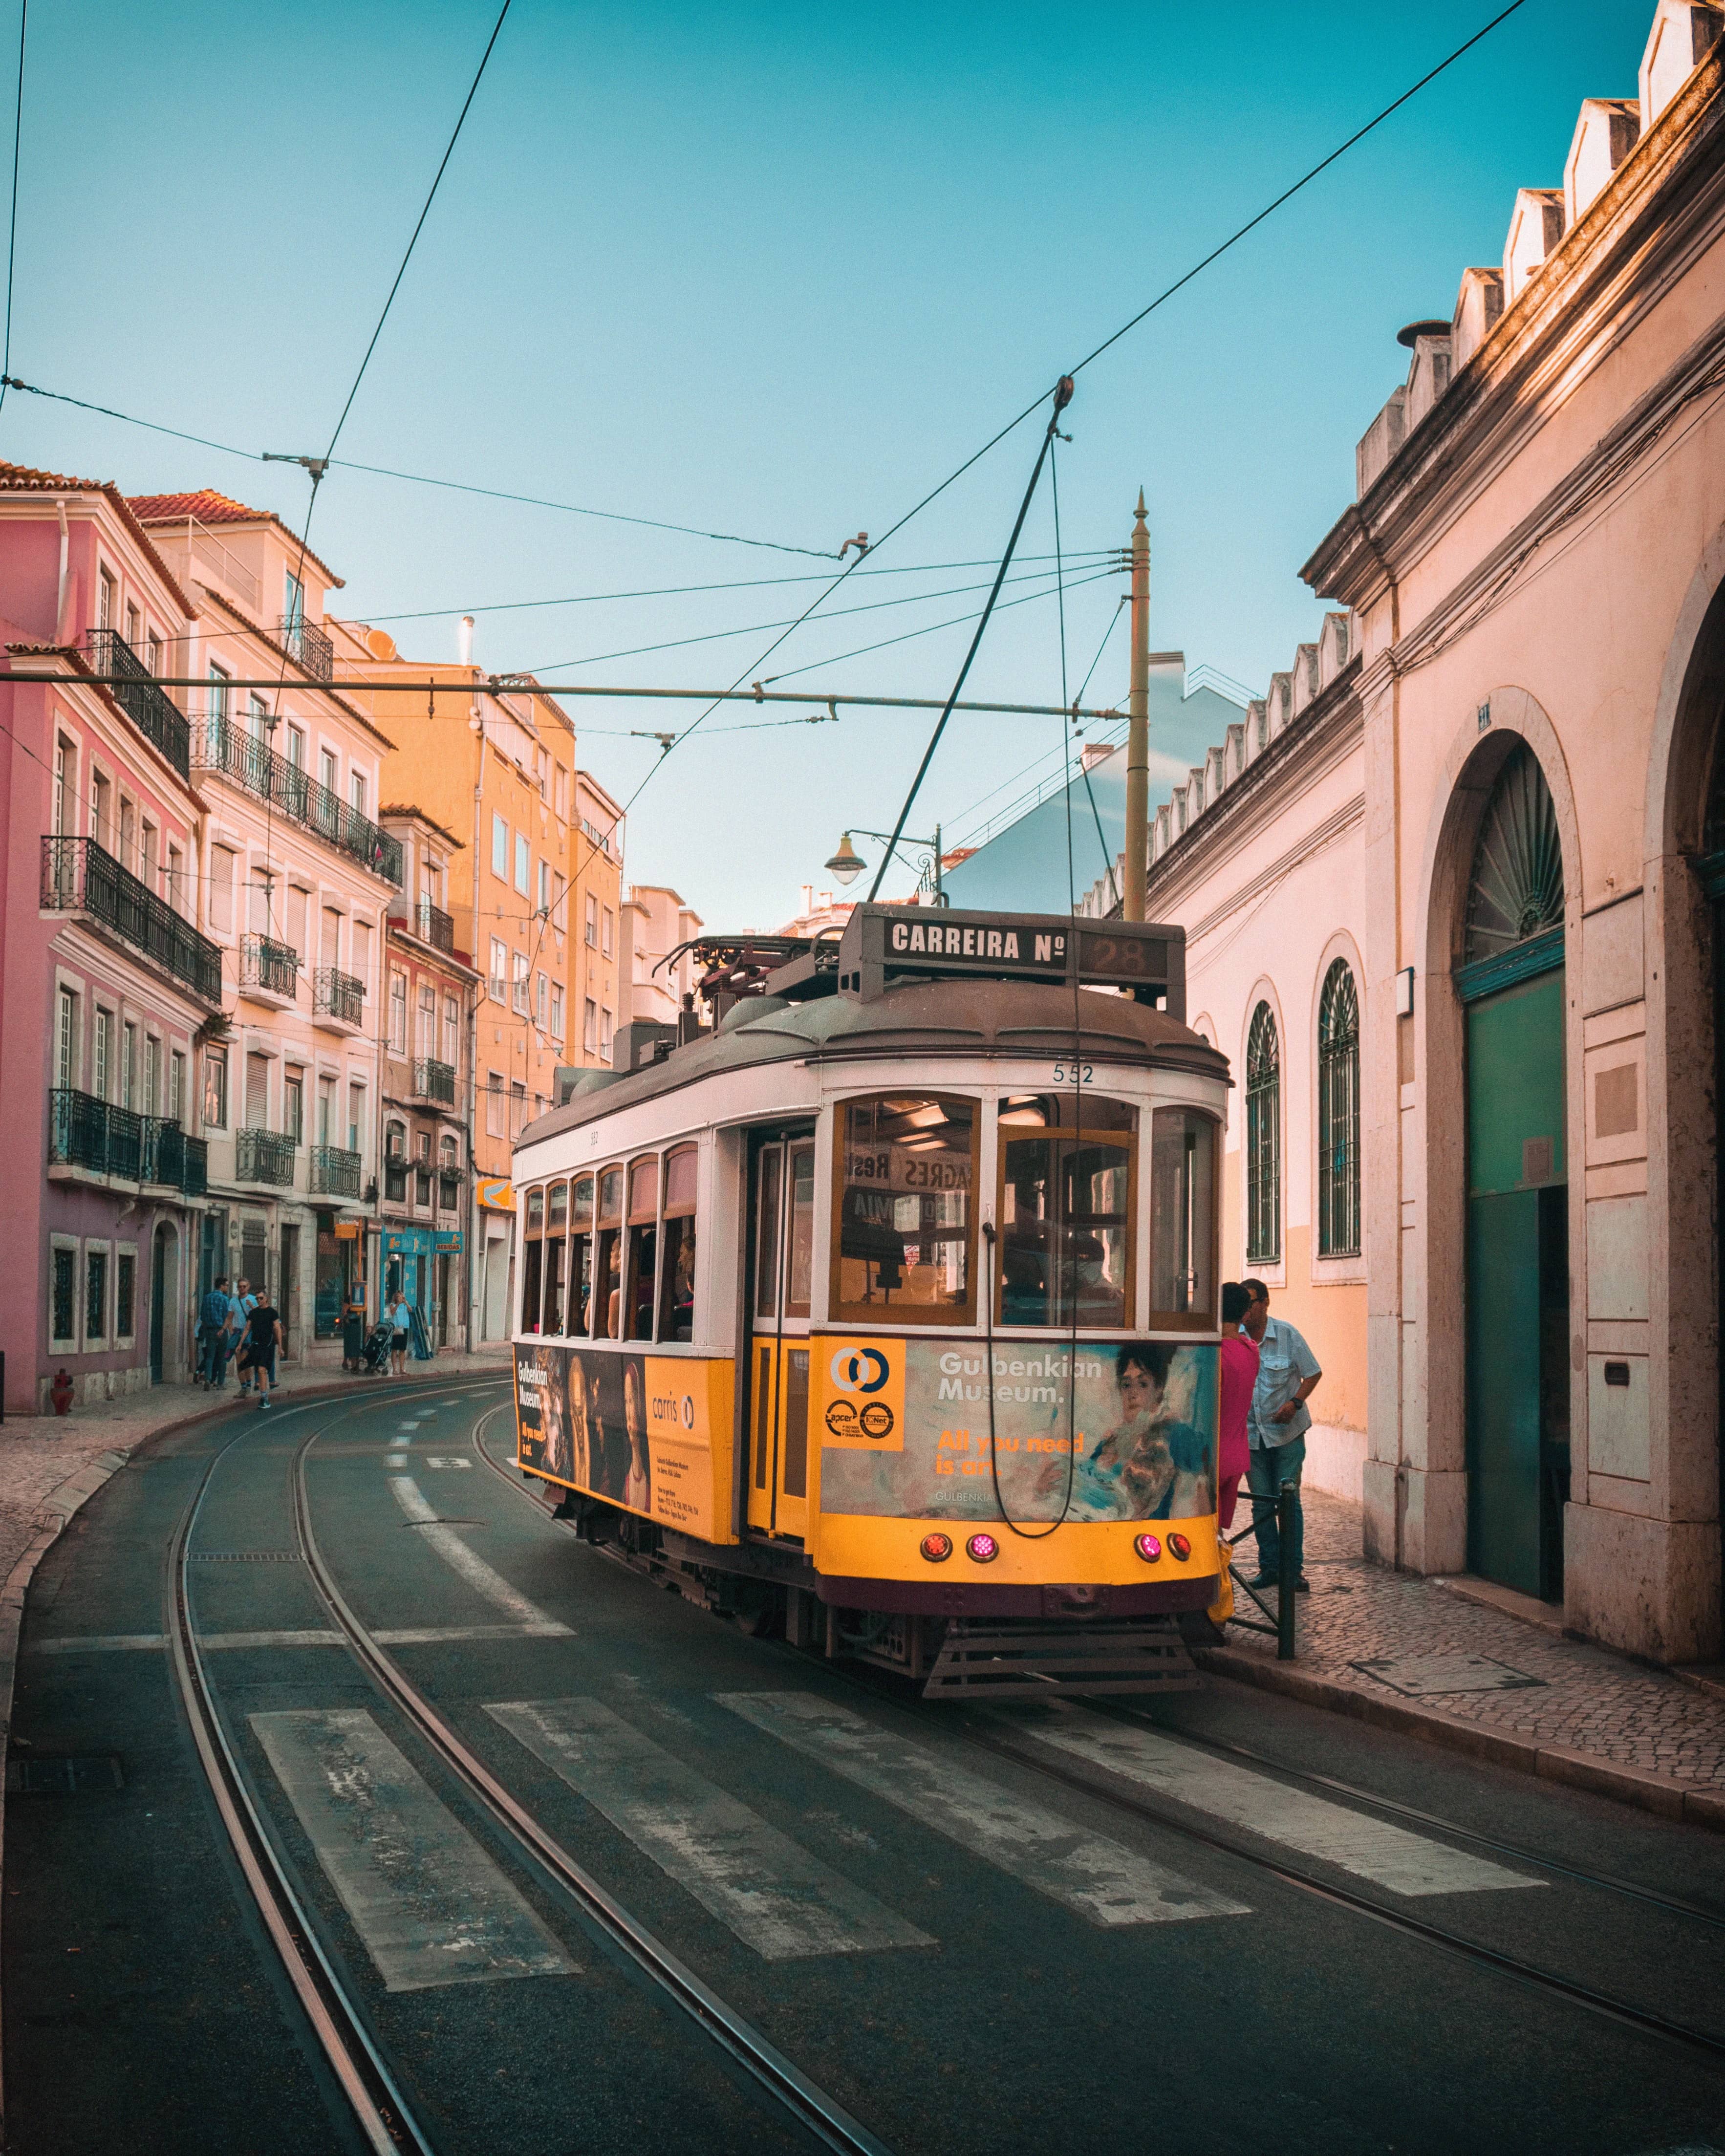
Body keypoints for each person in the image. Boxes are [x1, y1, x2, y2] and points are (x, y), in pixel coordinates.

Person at [1241, 1277, 1321, 1592]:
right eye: (1243, 1304)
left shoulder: (1287, 1335)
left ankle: (1293, 1571)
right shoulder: (1236, 1338)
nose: (1246, 1310)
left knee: (1289, 1502)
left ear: (1265, 1302)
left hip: (1287, 1434)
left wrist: (1296, 1402)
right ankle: (1270, 1569)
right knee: (1262, 1505)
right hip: (1252, 1437)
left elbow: (1313, 1372)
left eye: (1251, 1303)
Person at [1217, 1282, 1259, 1533]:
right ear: (1245, 1315)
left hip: (1207, 1458)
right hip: (1236, 1455)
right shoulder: (1251, 1351)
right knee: (1217, 1532)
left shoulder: (1213, 1354)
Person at [245, 1290, 284, 1409]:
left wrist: (281, 1348)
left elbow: (278, 1329)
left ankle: (264, 1397)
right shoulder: (254, 1313)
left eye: (261, 1298)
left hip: (268, 1345)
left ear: (266, 1299)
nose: (259, 1301)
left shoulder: (272, 1312)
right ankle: (264, 1395)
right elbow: (247, 1329)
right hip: (256, 1344)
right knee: (260, 1369)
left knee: (262, 1369)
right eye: (257, 1299)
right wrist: (241, 1343)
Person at [622, 1359, 651, 1513]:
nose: (628, 1412)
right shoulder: (625, 1479)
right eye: (626, 1401)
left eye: (632, 1401)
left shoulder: (652, 1476)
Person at [198, 1276, 232, 1387]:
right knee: (223, 1358)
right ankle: (220, 1383)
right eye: (226, 1285)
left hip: (210, 1330)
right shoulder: (225, 1299)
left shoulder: (207, 1298)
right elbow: (227, 1316)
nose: (228, 1287)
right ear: (221, 1286)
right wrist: (224, 1328)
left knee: (210, 1357)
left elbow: (202, 1315)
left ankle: (208, 1379)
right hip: (221, 1331)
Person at [234, 1277, 259, 1393]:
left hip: (249, 1334)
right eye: (240, 1287)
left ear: (248, 1287)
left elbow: (261, 1317)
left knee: (245, 1360)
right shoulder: (233, 1301)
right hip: (237, 1333)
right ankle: (244, 1386)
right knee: (238, 1362)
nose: (242, 1289)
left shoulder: (254, 1300)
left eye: (244, 1286)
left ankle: (248, 1384)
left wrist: (252, 1307)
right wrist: (228, 1329)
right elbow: (229, 1317)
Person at [386, 1290, 410, 1378]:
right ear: (396, 1298)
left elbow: (411, 1310)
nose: (401, 1298)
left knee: (403, 1349)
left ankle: (402, 1368)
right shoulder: (393, 1305)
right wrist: (398, 1304)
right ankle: (395, 1369)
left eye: (402, 1296)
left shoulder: (405, 1305)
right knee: (395, 1349)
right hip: (396, 1328)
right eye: (399, 1297)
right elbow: (392, 1313)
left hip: (405, 1327)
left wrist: (406, 1303)